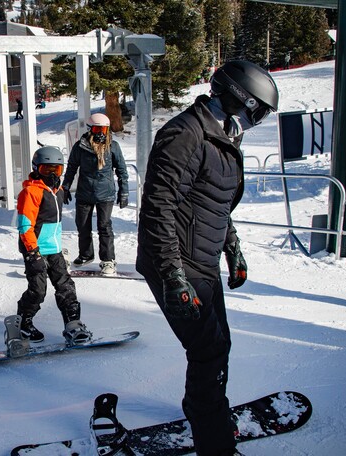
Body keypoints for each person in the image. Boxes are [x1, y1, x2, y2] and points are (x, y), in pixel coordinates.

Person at [136, 60, 279, 456]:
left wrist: (232, 248)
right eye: (258, 112)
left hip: (202, 260)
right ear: (240, 99)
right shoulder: (186, 135)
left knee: (219, 344)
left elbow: (213, 203)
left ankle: (202, 408)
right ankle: (214, 442)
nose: (258, 121)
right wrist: (172, 276)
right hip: (177, 263)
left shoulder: (221, 139)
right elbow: (157, 209)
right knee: (208, 350)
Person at [15, 145, 91, 345]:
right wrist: (33, 253)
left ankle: (73, 325)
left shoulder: (57, 190)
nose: (51, 174)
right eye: (46, 170)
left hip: (54, 249)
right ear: (36, 168)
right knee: (38, 291)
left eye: (56, 170)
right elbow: (25, 226)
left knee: (66, 286)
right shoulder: (31, 192)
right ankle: (23, 322)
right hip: (36, 250)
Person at [62, 113, 129, 275]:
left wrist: (124, 191)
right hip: (85, 192)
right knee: (82, 225)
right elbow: (71, 168)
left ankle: (108, 260)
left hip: (105, 193)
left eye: (104, 129)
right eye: (98, 129)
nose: (101, 133)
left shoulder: (113, 146)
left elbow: (122, 170)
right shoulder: (80, 147)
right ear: (90, 129)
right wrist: (65, 187)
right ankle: (86, 254)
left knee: (104, 226)